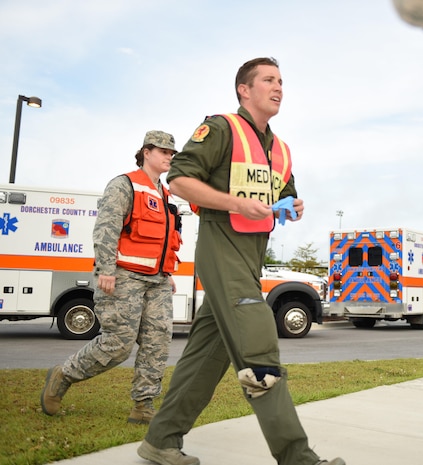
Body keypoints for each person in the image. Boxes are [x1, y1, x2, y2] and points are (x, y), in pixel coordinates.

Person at [137, 58, 345, 465]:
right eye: (268, 80)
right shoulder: (220, 128)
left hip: (253, 254)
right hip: (221, 245)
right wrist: (236, 204)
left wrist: (292, 205)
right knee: (259, 351)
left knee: (205, 356)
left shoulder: (281, 149)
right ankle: (298, 458)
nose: (278, 87)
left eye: (281, 81)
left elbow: (283, 195)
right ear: (243, 90)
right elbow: (178, 179)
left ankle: (161, 440)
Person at [41, 130, 181, 425]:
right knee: (118, 343)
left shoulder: (165, 194)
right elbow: (106, 228)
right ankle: (63, 374)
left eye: (172, 152)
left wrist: (166, 272)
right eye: (164, 151)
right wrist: (106, 269)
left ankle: (143, 405)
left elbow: (166, 238)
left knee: (157, 343)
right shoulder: (125, 184)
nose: (169, 156)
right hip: (123, 276)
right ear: (146, 152)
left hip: (156, 280)